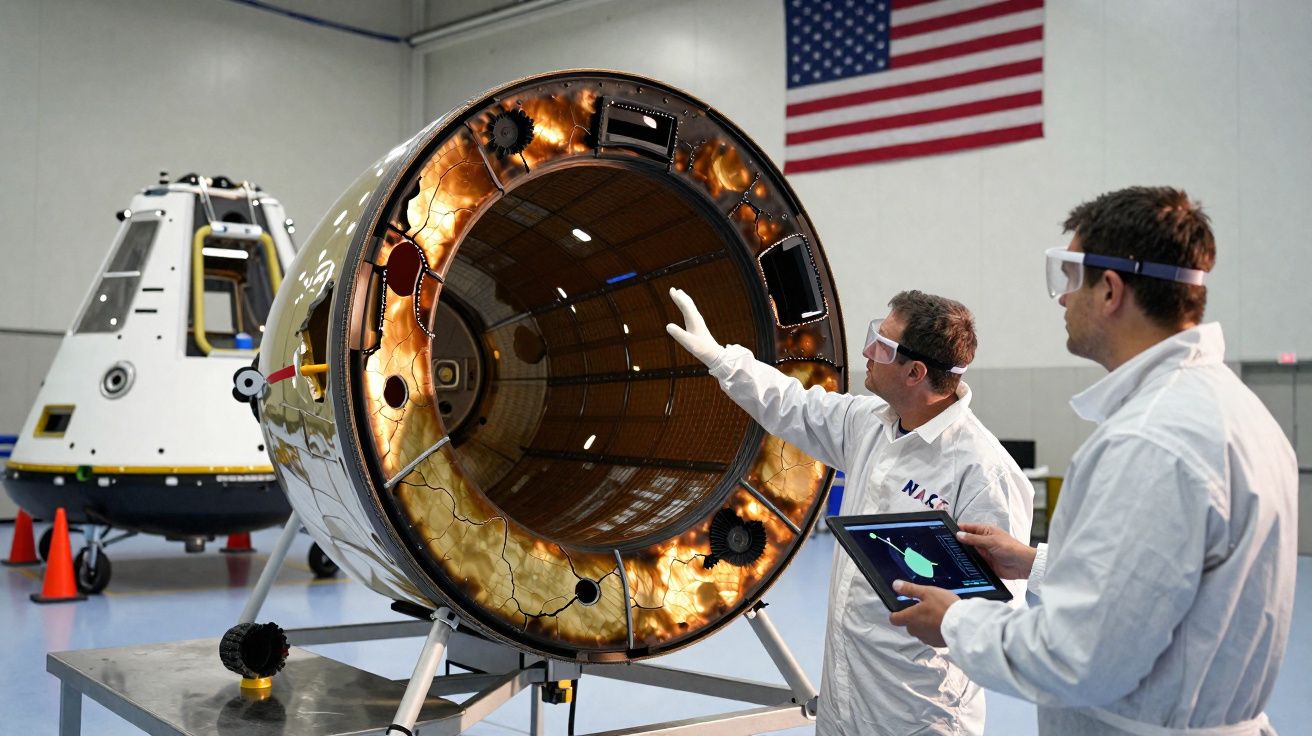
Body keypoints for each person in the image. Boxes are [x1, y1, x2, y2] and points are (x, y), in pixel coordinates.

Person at [889, 186, 1298, 735]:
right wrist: (1031, 562)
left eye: (1069, 279)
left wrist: (957, 621)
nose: (1061, 300)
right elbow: (1165, 590)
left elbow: (1080, 657)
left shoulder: (1151, 441)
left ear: (1109, 290)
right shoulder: (1234, 412)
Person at [666, 287, 1033, 736]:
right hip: (844, 697)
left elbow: (997, 615)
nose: (866, 351)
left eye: (882, 344)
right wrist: (722, 359)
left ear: (915, 372)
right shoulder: (869, 424)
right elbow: (793, 405)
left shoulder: (983, 472)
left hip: (918, 713)